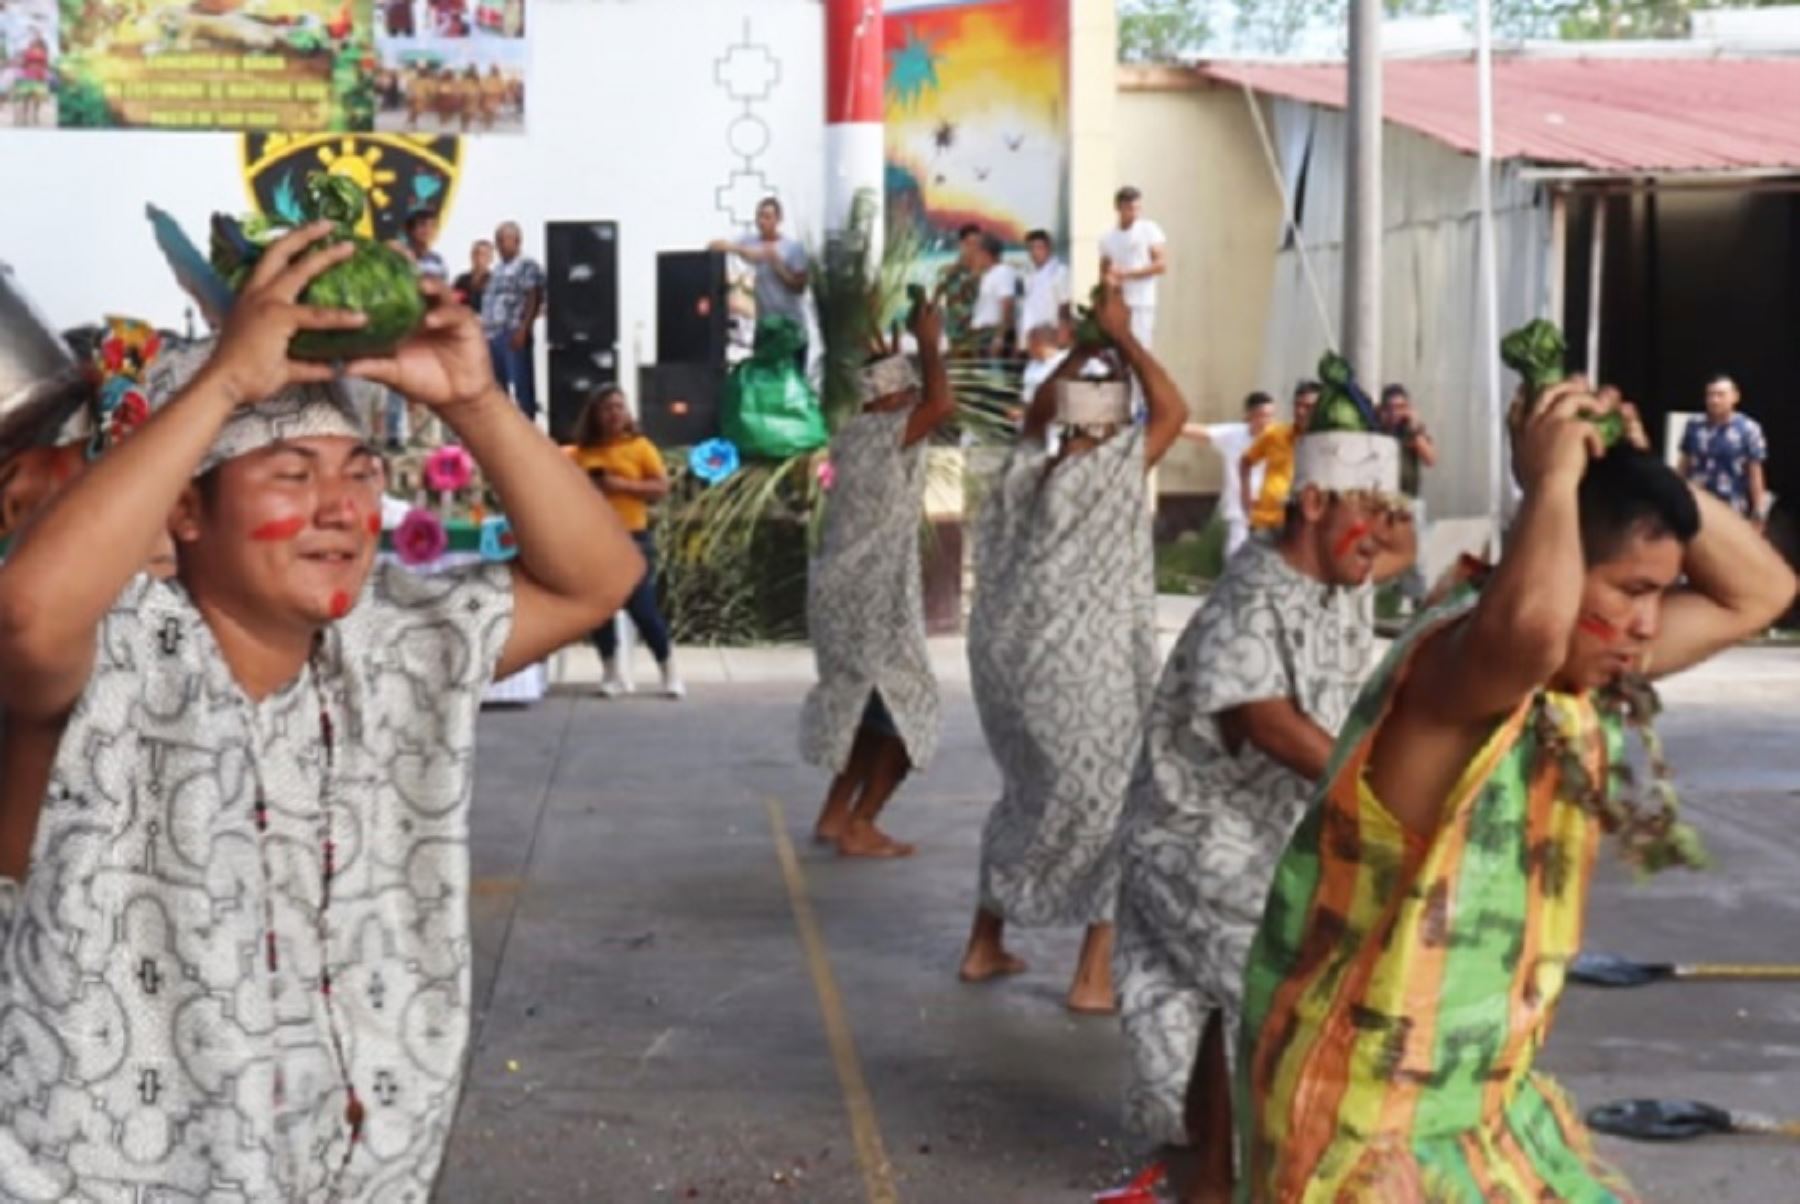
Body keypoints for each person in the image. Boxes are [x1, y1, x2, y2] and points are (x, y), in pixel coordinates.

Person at [0, 226, 644, 1199]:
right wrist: (220, 383)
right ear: (184, 511)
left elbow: (601, 577)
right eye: (292, 475)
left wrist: (474, 399)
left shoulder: (386, 652)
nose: (341, 506)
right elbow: (25, 614)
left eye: (359, 471)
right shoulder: (119, 661)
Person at [1235, 382, 1797, 1202]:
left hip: (1481, 1105)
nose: (1649, 624)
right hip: (1361, 1124)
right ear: (1565, 567)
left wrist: (1637, 467)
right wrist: (1551, 482)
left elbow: (1762, 594)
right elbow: (1532, 627)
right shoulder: (1456, 669)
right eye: (1631, 591)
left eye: (1660, 594)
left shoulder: (1580, 678)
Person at [1115, 418, 1416, 1204]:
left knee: (1250, 1004)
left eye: (1390, 515)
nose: (1380, 540)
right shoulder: (1250, 597)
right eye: (1368, 514)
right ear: (1312, 502)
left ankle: (1215, 1173)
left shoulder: (1333, 572)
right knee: (1275, 988)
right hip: (1198, 843)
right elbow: (1267, 722)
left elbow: (1399, 547)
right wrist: (1387, 801)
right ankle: (1221, 1179)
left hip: (1267, 837)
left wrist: (1387, 490)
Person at [958, 284, 1188, 1013]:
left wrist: (1086, 349)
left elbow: (1033, 416)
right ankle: (1092, 977)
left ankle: (983, 942)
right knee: (1119, 804)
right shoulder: (1113, 471)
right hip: (1085, 673)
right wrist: (1122, 339)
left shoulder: (1030, 471)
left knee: (1027, 798)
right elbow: (1174, 410)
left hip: (1014, 670)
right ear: (1117, 423)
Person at [801, 298, 954, 858]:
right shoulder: (891, 432)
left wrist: (894, 361)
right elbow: (942, 403)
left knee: (870, 708)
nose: (916, 393)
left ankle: (836, 814)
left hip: (837, 594)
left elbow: (915, 399)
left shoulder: (850, 434)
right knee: (911, 713)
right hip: (874, 597)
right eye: (906, 387)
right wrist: (928, 341)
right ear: (894, 397)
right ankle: (863, 821)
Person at [566, 384, 684, 699]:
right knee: (601, 609)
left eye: (619, 406)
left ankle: (669, 672)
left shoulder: (640, 447)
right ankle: (611, 672)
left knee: (642, 608)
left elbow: (660, 488)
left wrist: (620, 484)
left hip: (632, 537)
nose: (614, 413)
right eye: (607, 408)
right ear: (595, 414)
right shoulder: (578, 453)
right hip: (592, 539)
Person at [710, 197, 810, 370]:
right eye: (759, 216)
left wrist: (777, 264)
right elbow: (714, 245)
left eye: (767, 217)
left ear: (778, 220)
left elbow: (798, 286)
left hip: (790, 325)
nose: (761, 221)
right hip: (765, 325)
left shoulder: (792, 248)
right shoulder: (749, 241)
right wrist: (744, 251)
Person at [1180, 391, 1275, 560]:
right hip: (1241, 515)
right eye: (1261, 416)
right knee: (1236, 561)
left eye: (1270, 416)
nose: (1266, 422)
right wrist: (1166, 423)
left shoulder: (1279, 438)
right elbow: (1201, 433)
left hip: (1271, 513)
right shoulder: (1234, 435)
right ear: (1248, 416)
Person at [1679, 373, 1770, 529]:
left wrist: (1759, 513)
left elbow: (1755, 474)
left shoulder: (1748, 429)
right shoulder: (1694, 425)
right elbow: (1683, 464)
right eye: (1710, 395)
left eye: (1720, 395)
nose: (1714, 400)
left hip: (1731, 507)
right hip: (1697, 505)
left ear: (1735, 397)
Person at [481, 219, 545, 422]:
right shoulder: (498, 268)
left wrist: (523, 329)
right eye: (497, 240)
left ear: (517, 240)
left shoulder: (527, 265)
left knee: (521, 386)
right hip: (493, 334)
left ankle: (527, 426)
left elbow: (533, 296)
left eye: (503, 240)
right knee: (498, 388)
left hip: (513, 332)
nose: (499, 245)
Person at [1241, 381, 1319, 534]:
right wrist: (1246, 495)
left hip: (1304, 528)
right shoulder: (1275, 435)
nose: (1301, 412)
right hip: (1266, 522)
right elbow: (1246, 461)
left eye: (1309, 407)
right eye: (1298, 405)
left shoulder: (1327, 443)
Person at [1099, 186, 1168, 350]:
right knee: (1117, 351)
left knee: (1139, 350)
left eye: (1137, 208)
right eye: (1129, 208)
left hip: (1141, 302)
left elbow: (1161, 265)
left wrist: (1128, 273)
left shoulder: (1149, 230)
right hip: (1118, 303)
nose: (1134, 213)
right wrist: (1108, 284)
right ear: (1118, 208)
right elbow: (1103, 271)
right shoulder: (1108, 237)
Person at [1018, 228, 1071, 352]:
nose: (1035, 252)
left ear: (1048, 248)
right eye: (1031, 248)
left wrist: (1063, 334)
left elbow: (1064, 304)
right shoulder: (1027, 274)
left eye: (1039, 247)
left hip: (1049, 336)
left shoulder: (1059, 272)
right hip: (1028, 338)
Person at [970, 233, 1019, 360]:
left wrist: (999, 338)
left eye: (976, 253)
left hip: (992, 335)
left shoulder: (1002, 272)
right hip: (982, 335)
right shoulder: (989, 274)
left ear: (985, 253)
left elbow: (1007, 305)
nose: (974, 257)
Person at [938, 223, 984, 353]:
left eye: (978, 244)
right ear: (962, 245)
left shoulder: (984, 271)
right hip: (961, 337)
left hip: (983, 338)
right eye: (970, 243)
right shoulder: (953, 273)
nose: (974, 248)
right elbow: (955, 306)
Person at [399, 207, 448, 281]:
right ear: (410, 230)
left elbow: (443, 287)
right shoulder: (399, 254)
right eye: (422, 224)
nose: (428, 230)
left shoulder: (437, 260)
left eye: (433, 225)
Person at [453, 238, 494, 315]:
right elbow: (453, 303)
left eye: (484, 254)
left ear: (491, 258)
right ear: (471, 255)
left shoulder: (496, 282)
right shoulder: (461, 280)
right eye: (476, 253)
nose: (479, 257)